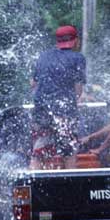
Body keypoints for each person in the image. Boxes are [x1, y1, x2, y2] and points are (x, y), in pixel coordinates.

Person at [30, 25, 86, 168]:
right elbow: (78, 88)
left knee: (38, 152)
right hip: (65, 112)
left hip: (42, 110)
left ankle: (34, 182)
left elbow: (33, 83)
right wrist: (77, 98)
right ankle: (71, 185)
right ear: (76, 41)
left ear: (57, 41)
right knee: (69, 151)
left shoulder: (43, 57)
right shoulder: (77, 58)